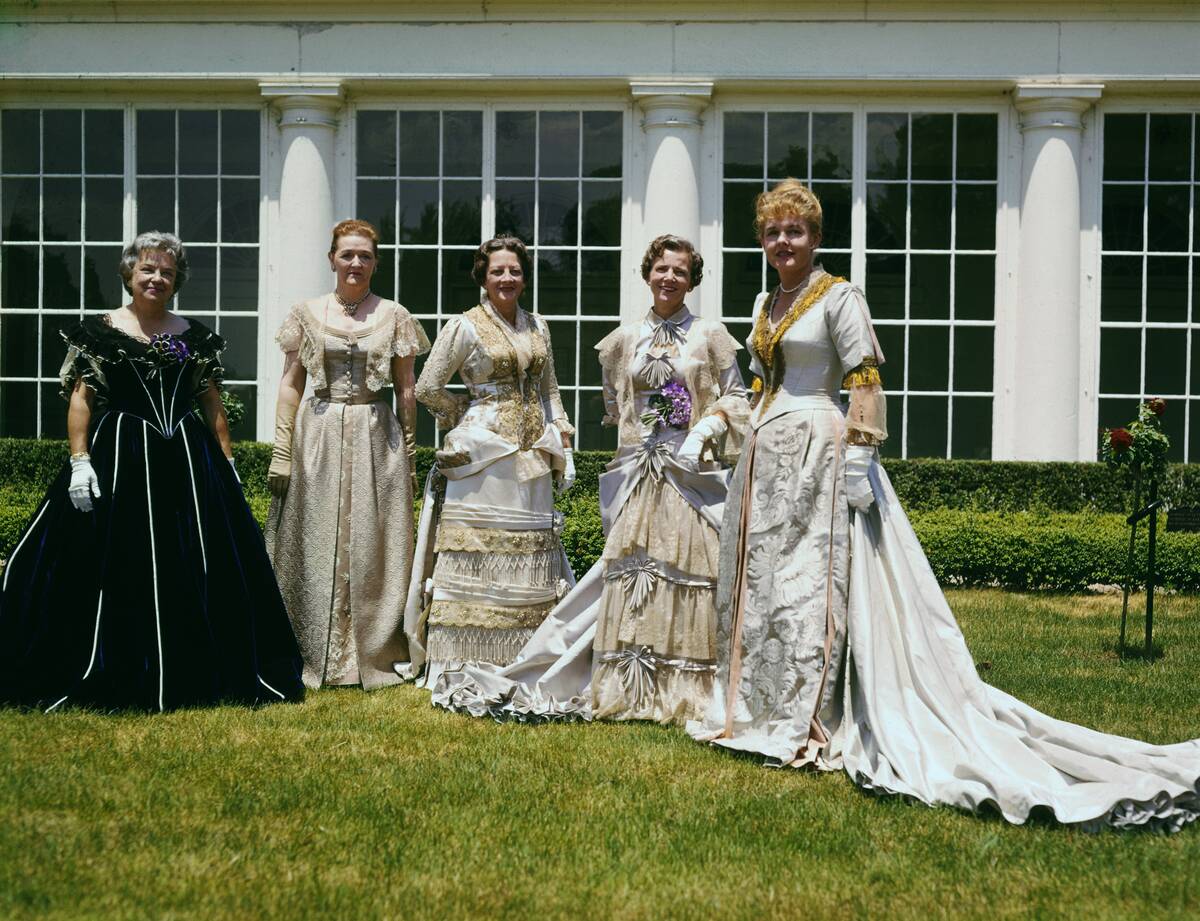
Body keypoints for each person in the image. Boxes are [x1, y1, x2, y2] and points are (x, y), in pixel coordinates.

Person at [687, 179, 1200, 832]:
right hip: (767, 460)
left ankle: (810, 714)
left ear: (815, 237)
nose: (781, 241)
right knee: (764, 591)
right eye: (771, 231)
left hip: (820, 452)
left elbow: (864, 378)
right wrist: (724, 432)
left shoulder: (840, 297)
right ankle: (760, 707)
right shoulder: (765, 301)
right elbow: (761, 385)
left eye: (794, 230)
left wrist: (860, 454)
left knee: (810, 585)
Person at [432, 235, 749, 725]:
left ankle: (688, 683)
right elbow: (617, 411)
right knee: (630, 574)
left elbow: (736, 397)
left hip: (690, 473)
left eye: (679, 272)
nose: (668, 278)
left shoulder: (711, 334)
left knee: (691, 573)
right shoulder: (622, 342)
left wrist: (704, 427)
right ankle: (628, 681)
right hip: (638, 474)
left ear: (692, 279)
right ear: (647, 274)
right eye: (661, 268)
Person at [0, 231, 304, 712]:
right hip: (121, 456)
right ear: (129, 274)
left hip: (187, 461)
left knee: (199, 561)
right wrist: (80, 462)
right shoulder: (100, 331)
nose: (157, 278)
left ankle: (199, 666)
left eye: (166, 271)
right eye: (148, 269)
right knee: (116, 559)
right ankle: (115, 662)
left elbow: (210, 403)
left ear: (177, 278)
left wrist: (226, 464)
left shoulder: (192, 336)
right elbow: (82, 401)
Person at [402, 235, 576, 687]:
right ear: (483, 276)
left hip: (533, 452)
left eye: (514, 271)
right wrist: (462, 415)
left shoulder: (539, 325)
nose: (507, 278)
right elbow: (426, 388)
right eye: (497, 270)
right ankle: (462, 661)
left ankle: (525, 659)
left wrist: (563, 434)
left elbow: (549, 388)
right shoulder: (464, 326)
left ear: (524, 277)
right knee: (481, 554)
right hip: (483, 457)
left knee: (528, 557)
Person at [264, 219, 430, 690]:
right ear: (332, 259)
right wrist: (281, 450)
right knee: (317, 533)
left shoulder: (395, 315)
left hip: (377, 434)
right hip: (317, 432)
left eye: (365, 256)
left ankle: (371, 652)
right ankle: (310, 647)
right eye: (347, 255)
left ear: (377, 262)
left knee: (374, 536)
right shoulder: (306, 311)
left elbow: (406, 389)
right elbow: (290, 382)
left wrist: (411, 458)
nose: (355, 263)